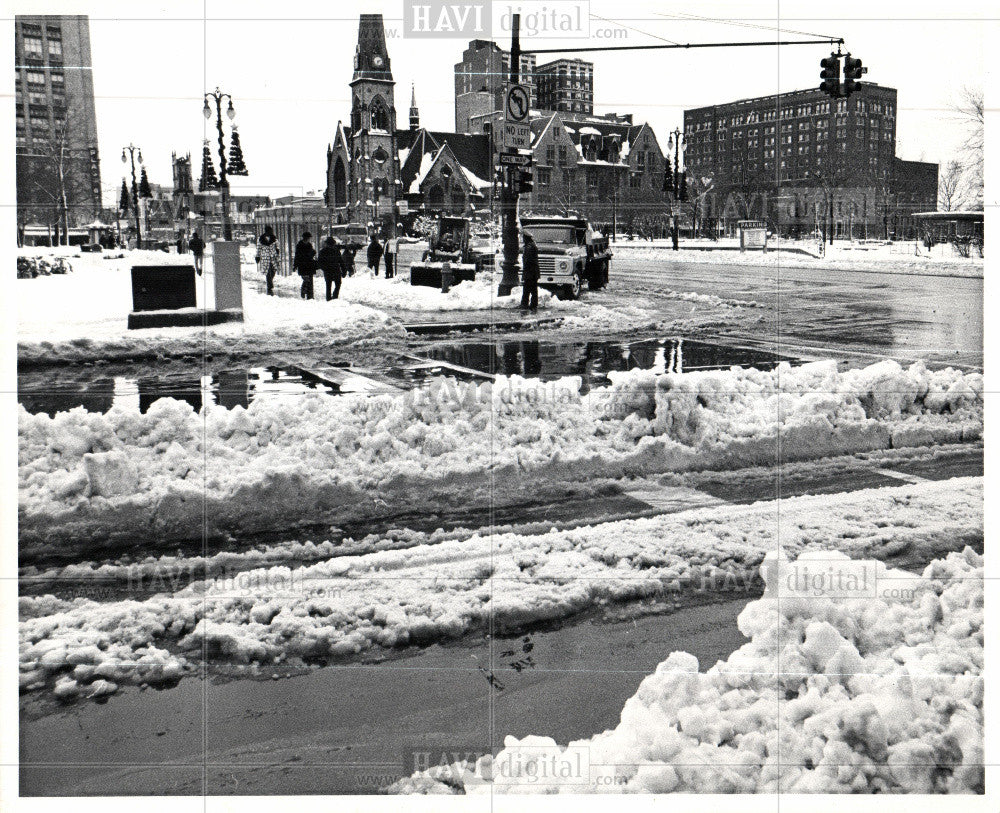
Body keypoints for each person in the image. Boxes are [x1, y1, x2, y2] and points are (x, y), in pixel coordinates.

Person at [318, 235, 345, 301]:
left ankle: (330, 298)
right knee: (337, 284)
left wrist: (324, 268)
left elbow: (320, 262)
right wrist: (344, 270)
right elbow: (341, 261)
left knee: (329, 285)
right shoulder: (335, 251)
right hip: (334, 270)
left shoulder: (323, 251)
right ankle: (333, 297)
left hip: (330, 271)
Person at [257, 225, 280, 296]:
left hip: (273, 257)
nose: (271, 232)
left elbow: (277, 246)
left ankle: (269, 282)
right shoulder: (260, 239)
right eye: (270, 231)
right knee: (268, 271)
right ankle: (269, 286)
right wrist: (257, 256)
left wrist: (277, 252)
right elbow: (258, 248)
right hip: (265, 257)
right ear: (266, 231)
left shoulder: (274, 239)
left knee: (274, 270)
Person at [293, 231, 317, 299]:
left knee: (310, 281)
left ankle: (310, 296)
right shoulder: (299, 246)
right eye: (308, 238)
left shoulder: (309, 245)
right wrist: (295, 265)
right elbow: (297, 256)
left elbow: (311, 254)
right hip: (303, 265)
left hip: (309, 265)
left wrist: (313, 253)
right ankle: (303, 291)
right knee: (306, 279)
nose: (308, 239)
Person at [520, 231, 539, 311]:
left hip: (530, 272)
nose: (523, 239)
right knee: (533, 289)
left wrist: (525, 273)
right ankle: (533, 304)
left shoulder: (529, 247)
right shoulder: (532, 245)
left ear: (526, 238)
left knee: (527, 289)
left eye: (523, 238)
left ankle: (525, 304)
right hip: (533, 272)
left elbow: (527, 261)